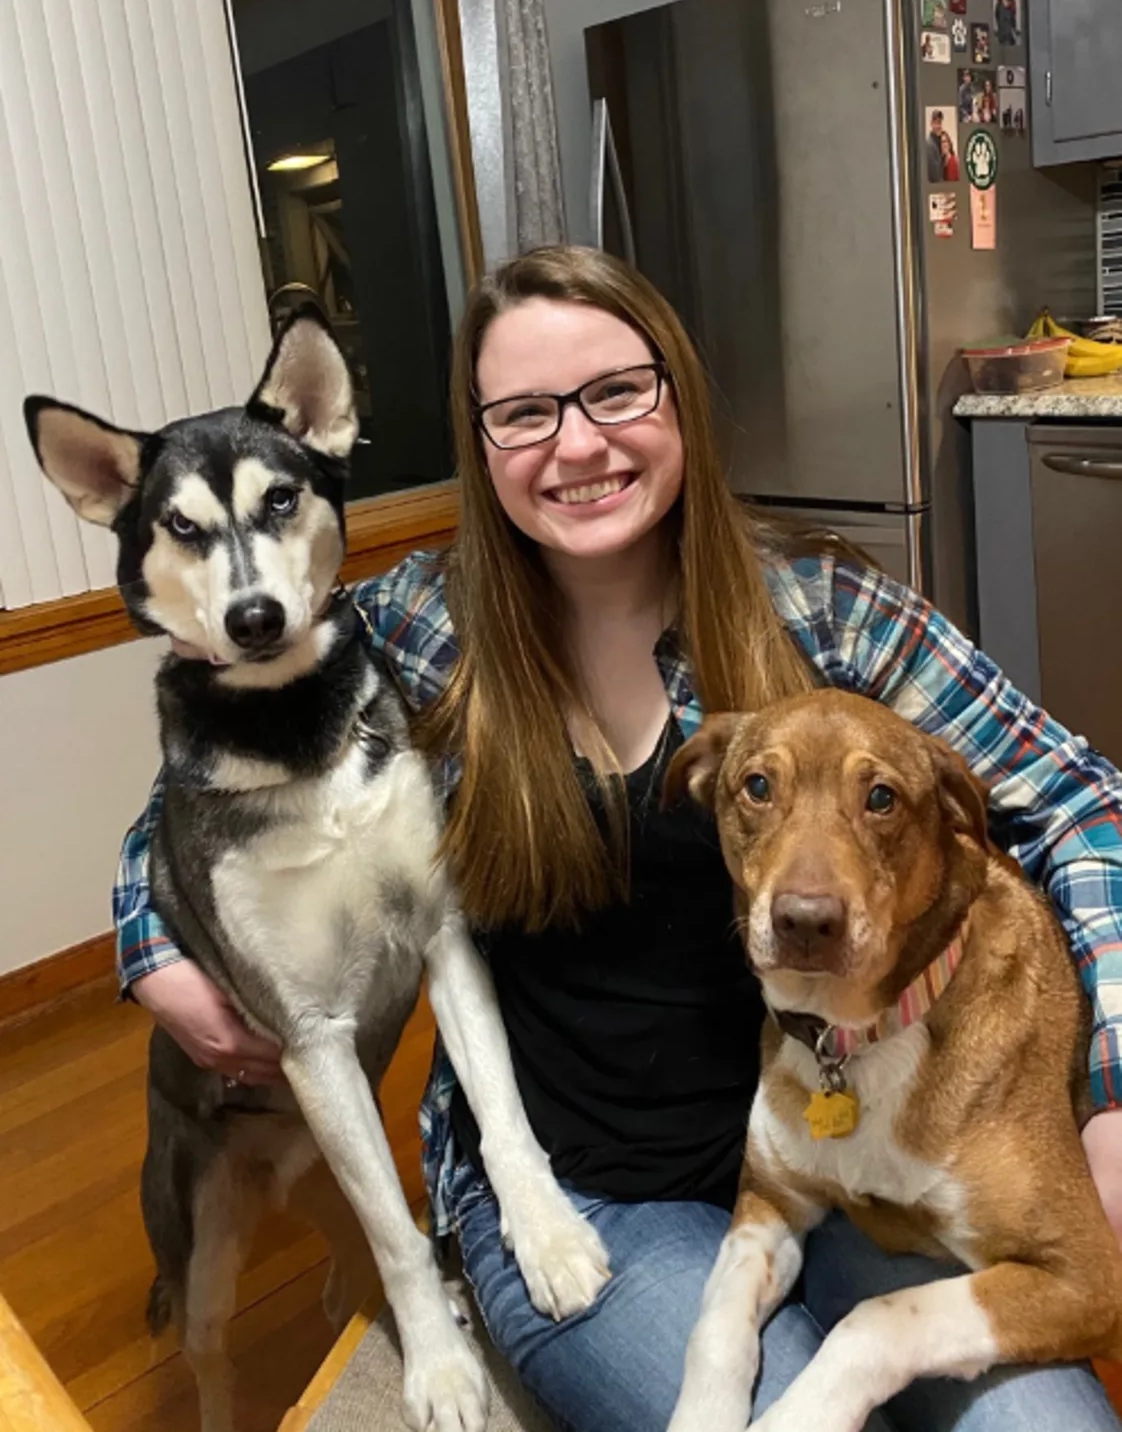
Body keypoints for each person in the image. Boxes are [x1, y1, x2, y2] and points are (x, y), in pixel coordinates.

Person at [115, 246, 1122, 1432]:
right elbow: (184, 801)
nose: (578, 444)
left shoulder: (822, 609)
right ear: (480, 442)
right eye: (526, 412)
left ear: (676, 398)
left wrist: (1111, 1093)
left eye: (616, 392)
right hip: (579, 1201)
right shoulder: (414, 629)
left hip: (829, 1163)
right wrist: (150, 946)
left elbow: (1083, 800)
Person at [927, 110, 946, 182]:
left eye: (940, 123)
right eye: (936, 123)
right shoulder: (929, 145)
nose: (939, 126)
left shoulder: (938, 142)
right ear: (931, 124)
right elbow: (935, 176)